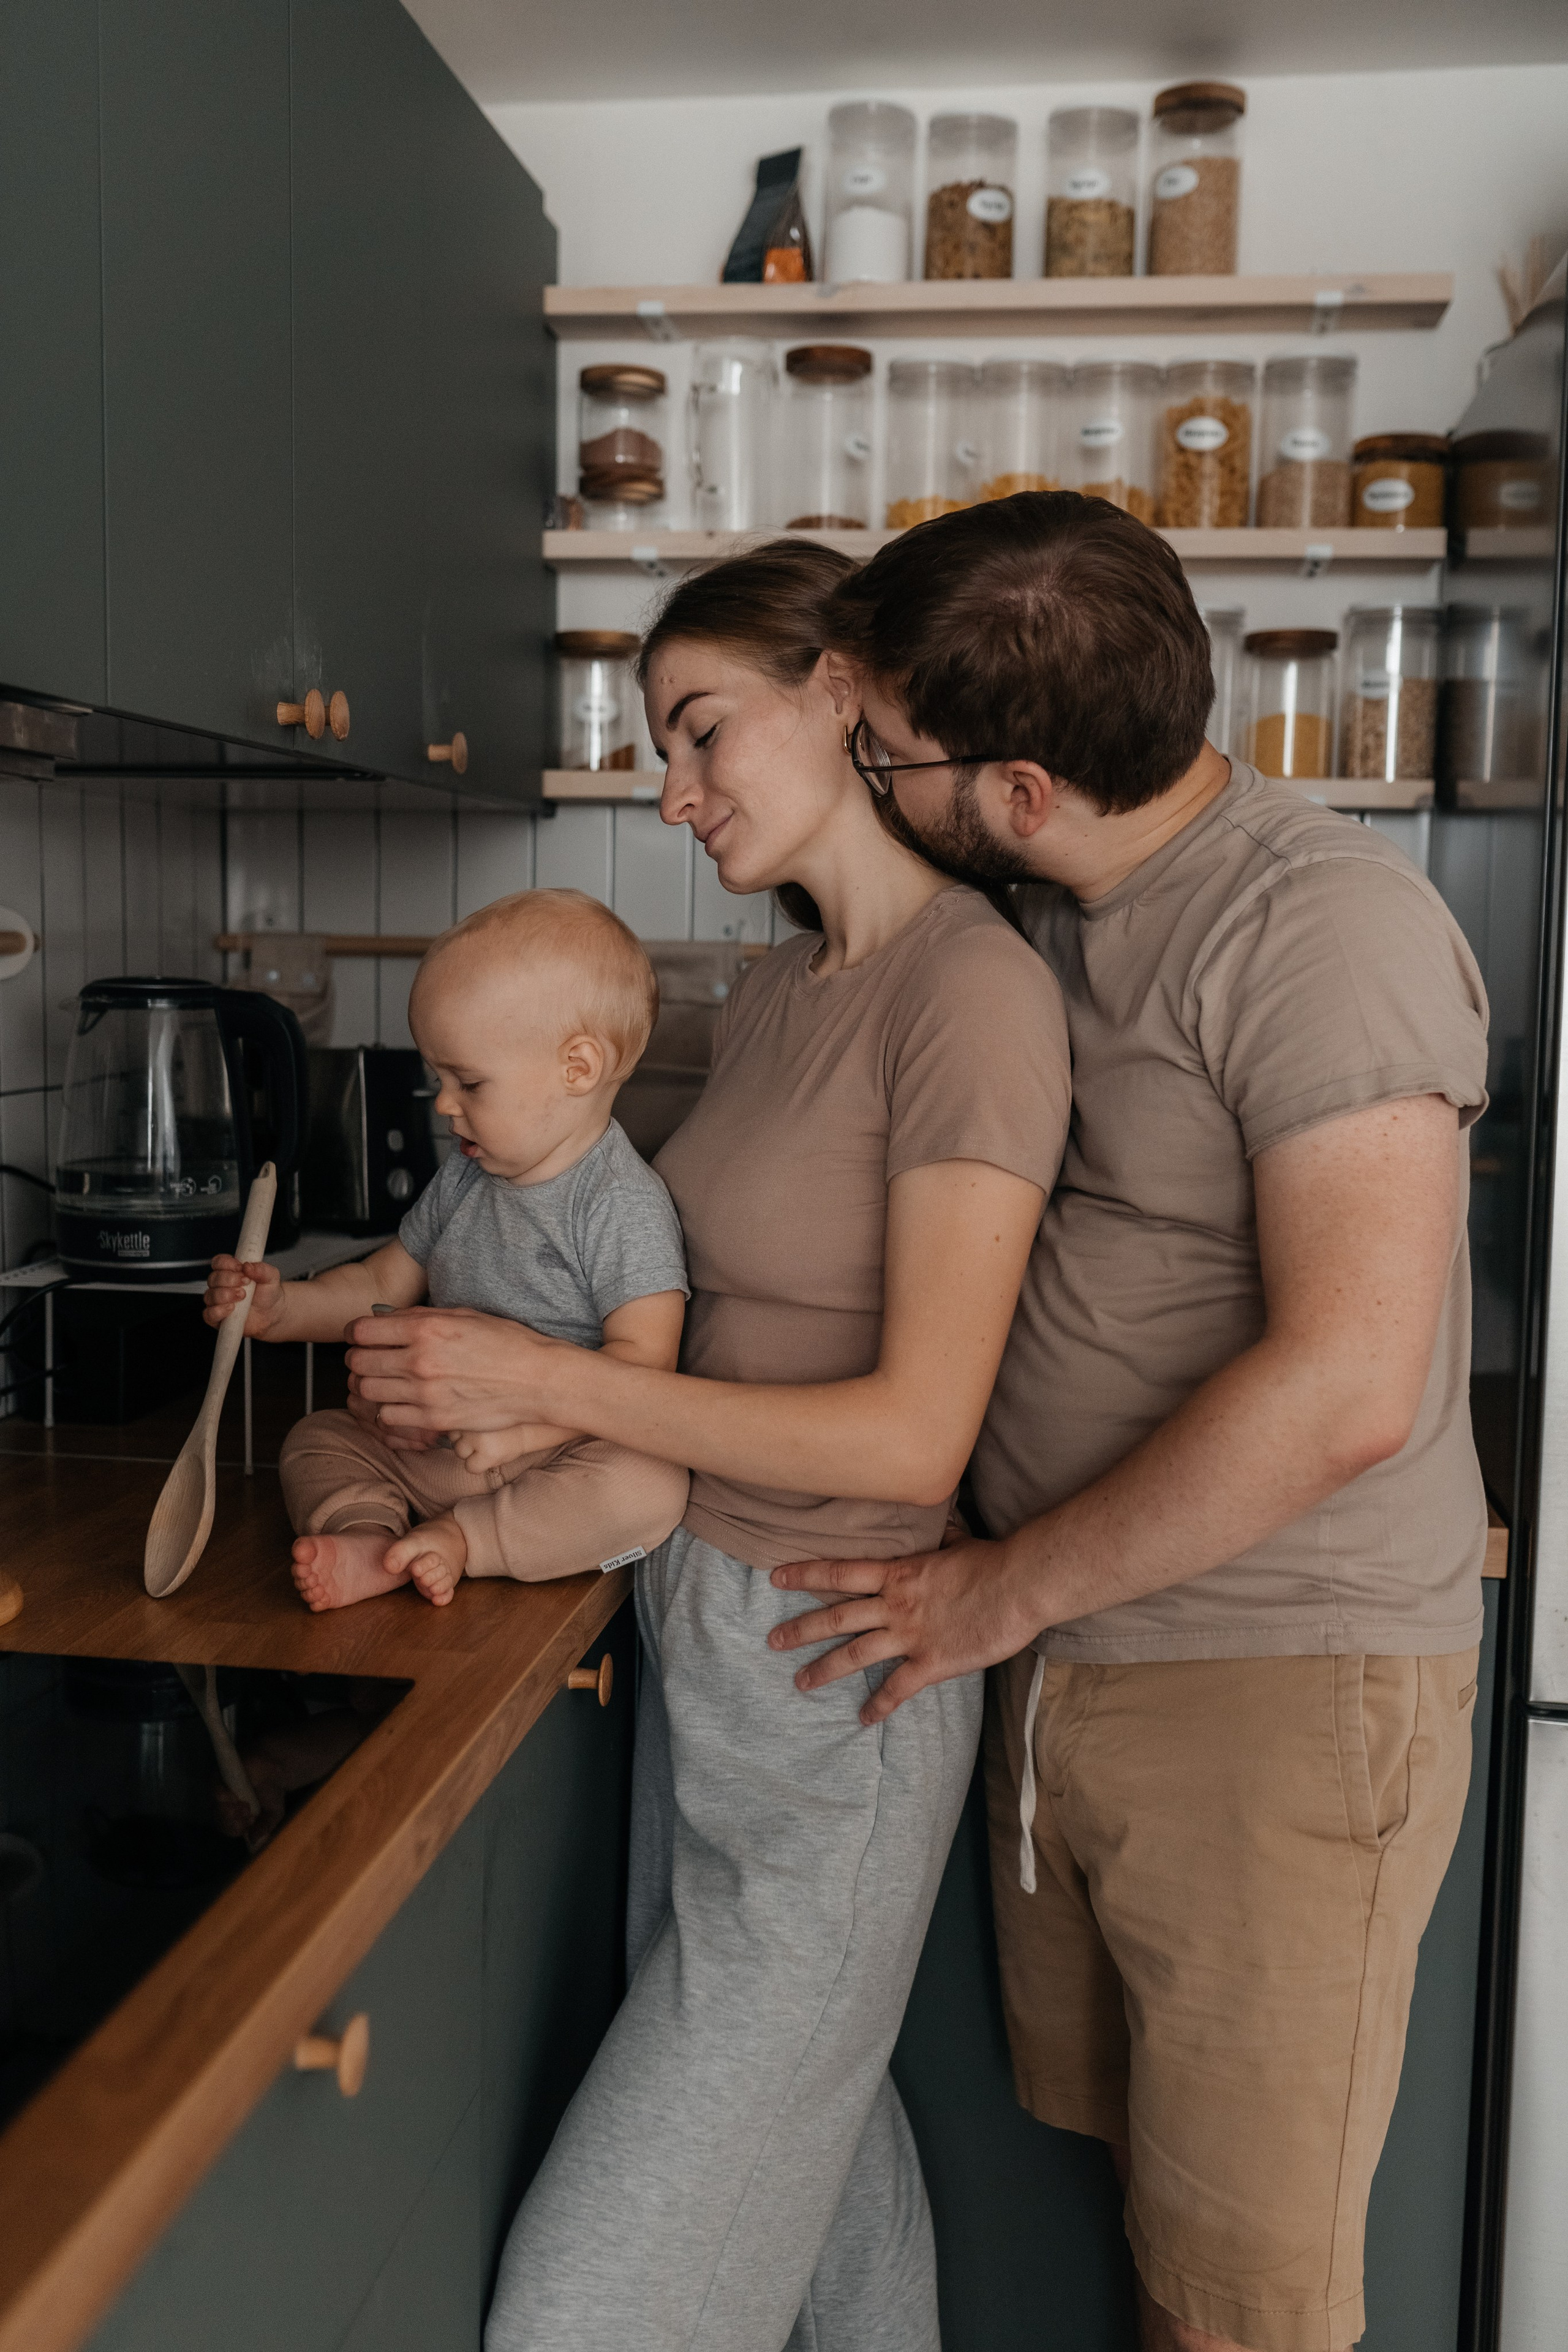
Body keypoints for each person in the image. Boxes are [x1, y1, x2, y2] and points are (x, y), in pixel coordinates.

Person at [769, 492, 1491, 2352]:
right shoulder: (1038, 901)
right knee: (1143, 2226)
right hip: (1076, 1645)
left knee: (1247, 2303)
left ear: (1015, 787)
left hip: (1268, 1684)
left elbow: (1345, 1386)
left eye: (889, 753)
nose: (866, 770)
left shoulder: (1327, 928)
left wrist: (997, 1595)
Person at [344, 540, 1071, 2351]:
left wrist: (550, 1386)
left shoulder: (966, 992)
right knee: (826, 2202)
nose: (669, 789)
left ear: (842, 684)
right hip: (707, 1652)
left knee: (591, 2306)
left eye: (698, 728)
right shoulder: (786, 991)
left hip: (838, 1693)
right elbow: (621, 1237)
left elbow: (917, 1423)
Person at [203, 889, 690, 1610]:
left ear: (578, 1069)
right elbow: (379, 1282)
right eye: (439, 1078)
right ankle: (372, 1537)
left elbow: (644, 1369)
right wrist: (278, 1308)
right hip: (426, 1453)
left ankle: (470, 1544)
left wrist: (526, 1428)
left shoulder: (619, 1203)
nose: (442, 1103)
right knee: (315, 1439)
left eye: (468, 1081)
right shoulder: (466, 1175)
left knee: (649, 1486)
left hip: (557, 1457)